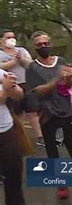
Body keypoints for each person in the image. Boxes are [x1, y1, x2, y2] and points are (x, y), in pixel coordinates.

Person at [25, 31, 72, 199]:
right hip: (48, 116)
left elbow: (67, 86)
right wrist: (58, 78)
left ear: (50, 44)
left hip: (67, 113)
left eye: (46, 43)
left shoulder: (61, 61)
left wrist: (68, 78)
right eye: (40, 45)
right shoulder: (32, 68)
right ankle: (61, 185)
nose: (44, 47)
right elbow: (38, 91)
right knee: (55, 153)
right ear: (34, 48)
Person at [0, 30, 44, 146]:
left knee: (33, 112)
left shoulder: (21, 50)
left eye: (13, 37)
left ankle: (40, 137)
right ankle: (24, 139)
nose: (11, 39)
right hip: (11, 87)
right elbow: (1, 67)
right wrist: (14, 61)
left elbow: (31, 64)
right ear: (2, 40)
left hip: (26, 84)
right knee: (18, 114)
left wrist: (21, 59)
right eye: (8, 37)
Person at [0, 70, 25, 205]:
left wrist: (12, 86)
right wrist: (5, 88)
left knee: (14, 180)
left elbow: (19, 94)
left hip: (7, 131)